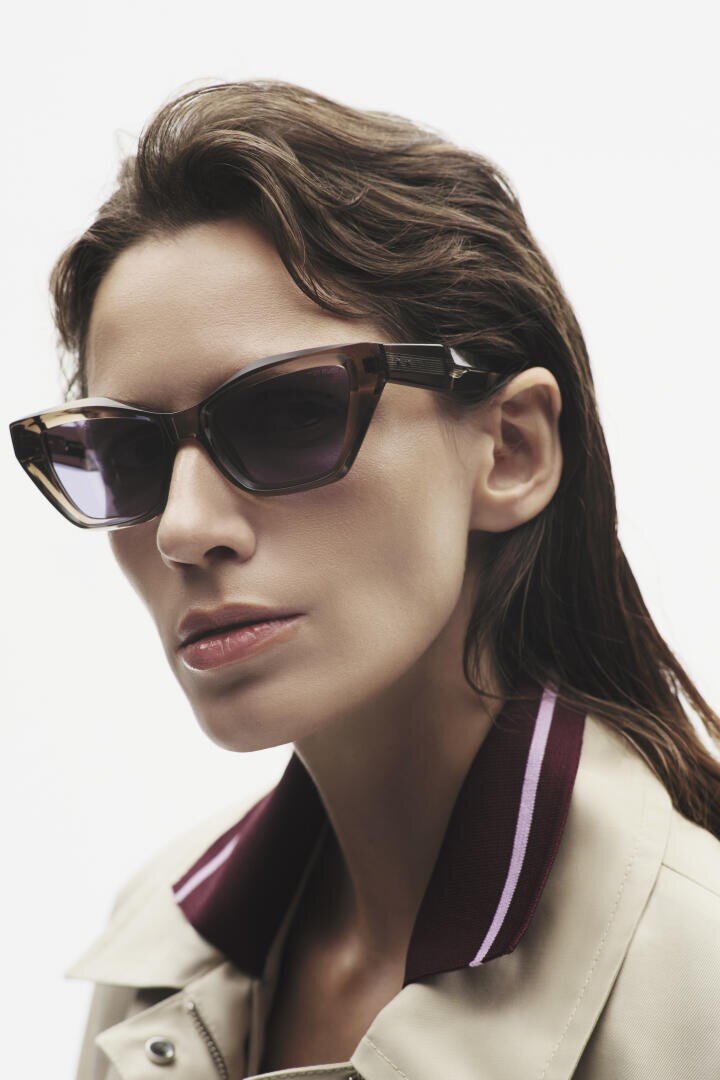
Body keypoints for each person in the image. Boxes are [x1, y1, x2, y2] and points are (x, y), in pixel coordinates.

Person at [9, 79, 720, 1080]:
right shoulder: (157, 953)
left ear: (511, 450)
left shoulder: (698, 979)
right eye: (126, 456)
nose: (184, 530)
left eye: (290, 415)